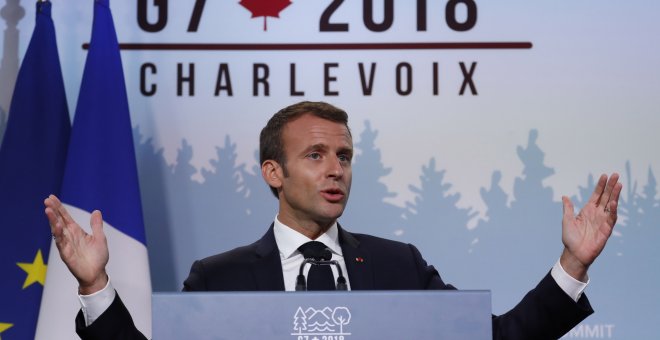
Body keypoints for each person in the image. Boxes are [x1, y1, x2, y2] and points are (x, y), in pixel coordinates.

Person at [45, 101, 622, 340]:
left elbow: (497, 338)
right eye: (315, 156)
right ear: (273, 172)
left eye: (344, 156)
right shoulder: (217, 279)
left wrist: (572, 264)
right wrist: (95, 284)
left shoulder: (400, 265)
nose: (336, 170)